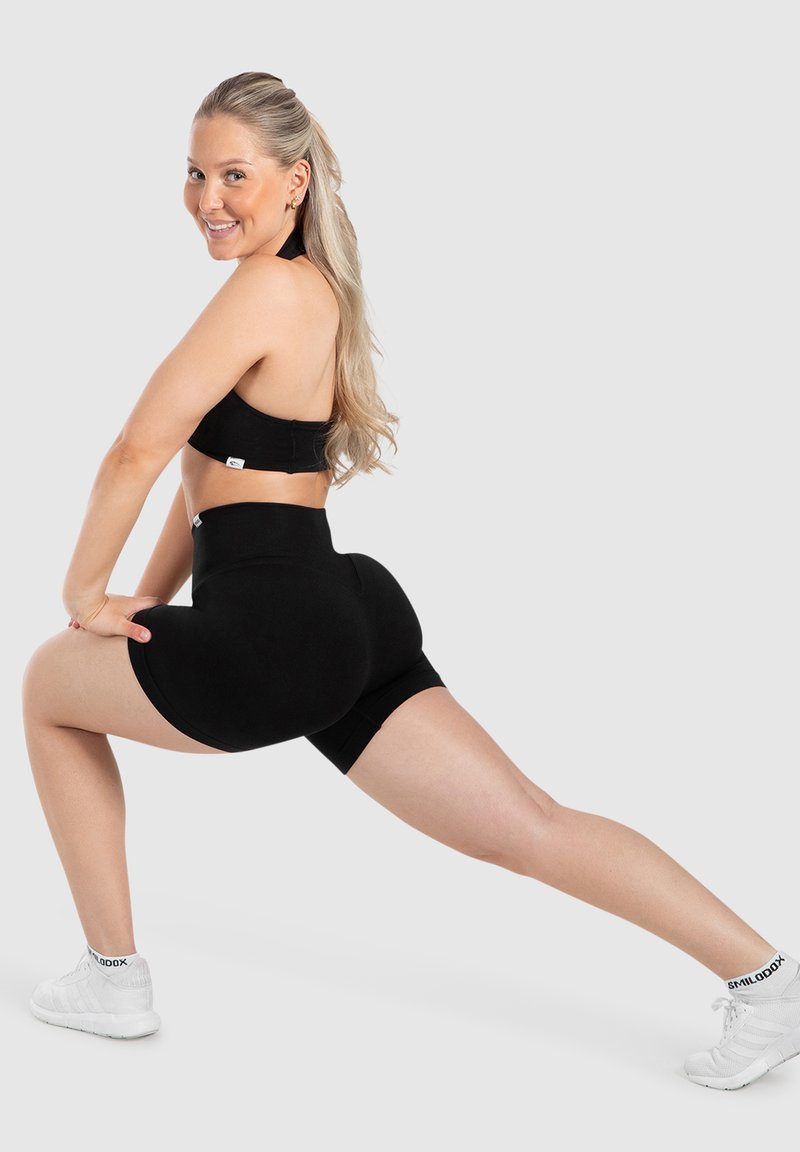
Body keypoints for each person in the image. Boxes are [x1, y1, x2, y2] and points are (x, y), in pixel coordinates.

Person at [21, 71, 799, 1090]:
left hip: (275, 631)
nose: (209, 197)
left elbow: (138, 448)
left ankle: (113, 977)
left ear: (295, 180)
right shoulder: (311, 289)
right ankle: (767, 980)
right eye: (195, 173)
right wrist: (153, 597)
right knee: (528, 824)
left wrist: (85, 596)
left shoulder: (262, 292)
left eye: (235, 174)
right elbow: (209, 477)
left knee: (48, 686)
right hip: (343, 613)